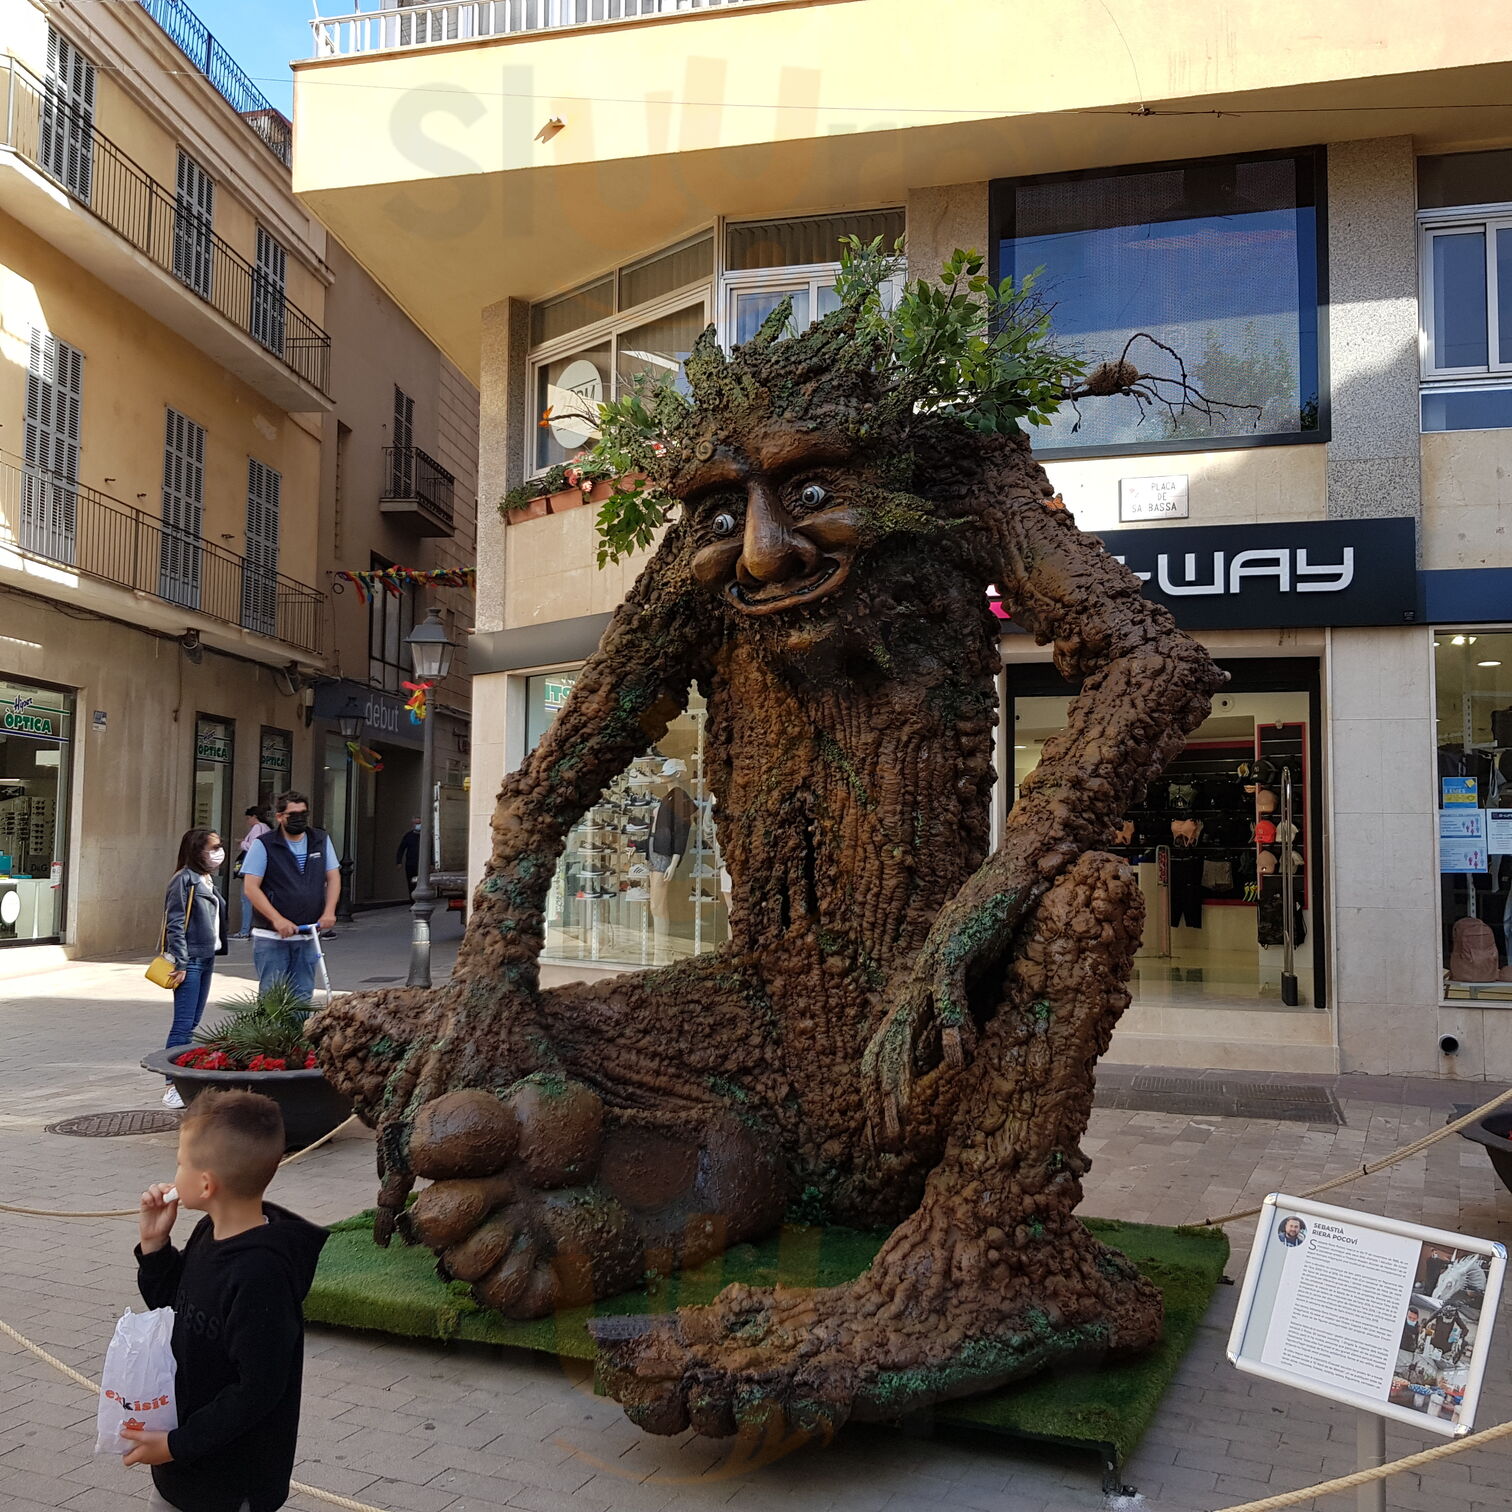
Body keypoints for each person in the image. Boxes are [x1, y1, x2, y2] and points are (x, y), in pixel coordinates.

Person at [127, 1090, 327, 1512]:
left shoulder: (261, 1274)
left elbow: (257, 1390)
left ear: (205, 1184)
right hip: (182, 1466)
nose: (174, 1173)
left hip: (229, 1484)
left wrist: (176, 1445)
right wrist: (155, 1246)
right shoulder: (208, 1232)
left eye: (180, 1162)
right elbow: (172, 1307)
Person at [240, 792, 339, 1003]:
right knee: (272, 997)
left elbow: (333, 877)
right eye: (292, 815)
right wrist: (277, 919)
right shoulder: (264, 844)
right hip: (272, 937)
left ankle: (299, 1026)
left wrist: (329, 911)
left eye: (303, 814)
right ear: (279, 817)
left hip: (307, 933)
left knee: (303, 996)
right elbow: (251, 887)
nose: (299, 819)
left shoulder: (320, 840)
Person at [160, 829, 228, 1111]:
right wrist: (181, 962)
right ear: (197, 851)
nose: (219, 852)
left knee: (192, 1022)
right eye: (213, 847)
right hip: (190, 960)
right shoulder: (183, 879)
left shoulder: (206, 879)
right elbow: (175, 923)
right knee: (183, 1024)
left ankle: (182, 1081)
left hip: (206, 956)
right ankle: (171, 1085)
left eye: (219, 846)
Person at [230, 806, 270, 940]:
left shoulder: (257, 828)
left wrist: (242, 843)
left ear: (254, 817)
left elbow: (253, 847)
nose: (247, 821)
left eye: (248, 818)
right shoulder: (266, 828)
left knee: (246, 899)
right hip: (263, 868)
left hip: (252, 868)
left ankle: (245, 930)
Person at [396, 816, 421, 895]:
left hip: (422, 865)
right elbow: (401, 849)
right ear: (413, 824)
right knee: (411, 883)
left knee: (421, 883)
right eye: (416, 823)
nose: (418, 825)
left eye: (419, 823)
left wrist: (432, 863)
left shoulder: (426, 836)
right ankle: (412, 898)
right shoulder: (408, 836)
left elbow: (431, 849)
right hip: (411, 864)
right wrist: (399, 861)